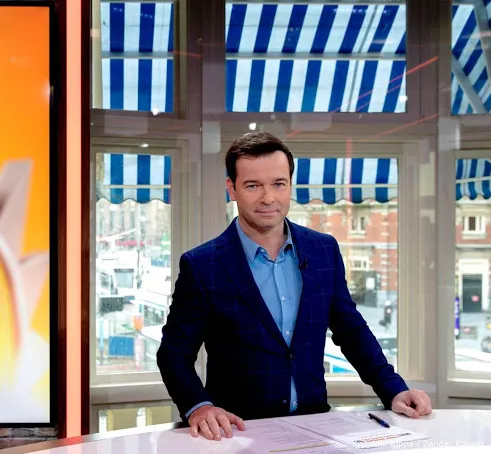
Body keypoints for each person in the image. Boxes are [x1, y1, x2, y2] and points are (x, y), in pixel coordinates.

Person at [156, 132, 432, 441]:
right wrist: (199, 407)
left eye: (278, 183)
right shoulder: (201, 265)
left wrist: (393, 389)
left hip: (316, 429)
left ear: (290, 185)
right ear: (231, 188)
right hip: (236, 433)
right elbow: (173, 354)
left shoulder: (323, 250)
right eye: (253, 185)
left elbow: (352, 331)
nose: (268, 198)